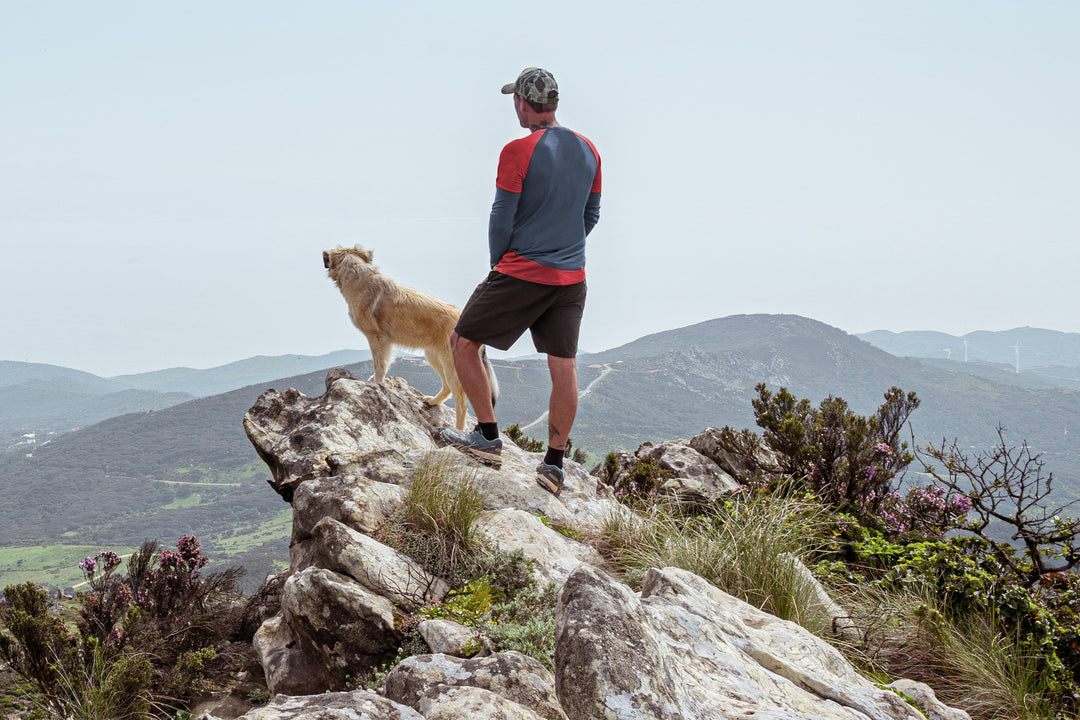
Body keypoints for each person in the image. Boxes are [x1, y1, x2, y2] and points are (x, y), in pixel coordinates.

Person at [439, 67, 601, 496]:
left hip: (522, 271)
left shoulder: (517, 150)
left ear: (523, 103)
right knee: (563, 367)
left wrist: (500, 265)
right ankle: (553, 465)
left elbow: (501, 216)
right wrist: (564, 248)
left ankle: (487, 439)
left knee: (462, 342)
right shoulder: (590, 151)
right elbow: (590, 216)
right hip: (572, 278)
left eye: (516, 100)